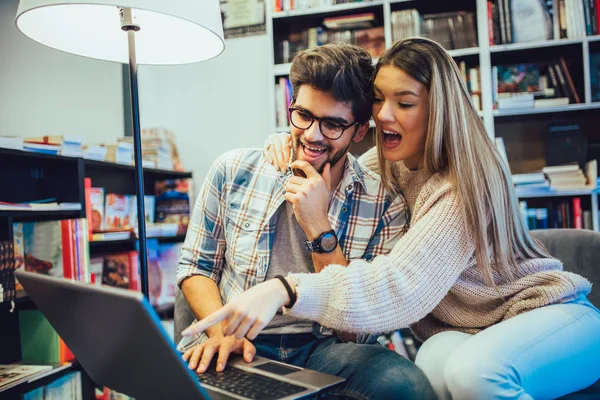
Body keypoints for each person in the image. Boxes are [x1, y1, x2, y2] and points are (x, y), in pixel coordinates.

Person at [183, 37, 600, 399]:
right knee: (433, 375)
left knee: (473, 375)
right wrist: (289, 141)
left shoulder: (459, 186)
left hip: (541, 314)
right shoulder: (387, 167)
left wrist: (296, 271)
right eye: (380, 99)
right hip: (466, 331)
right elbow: (322, 143)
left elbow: (399, 289)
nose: (384, 114)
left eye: (404, 102)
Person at [177, 42, 436, 399]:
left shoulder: (385, 205)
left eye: (332, 124)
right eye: (304, 116)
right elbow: (196, 266)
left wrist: (319, 227)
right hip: (236, 337)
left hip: (323, 348)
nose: (312, 135)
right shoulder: (233, 170)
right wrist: (223, 331)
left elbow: (356, 332)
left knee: (404, 385)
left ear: (359, 131)